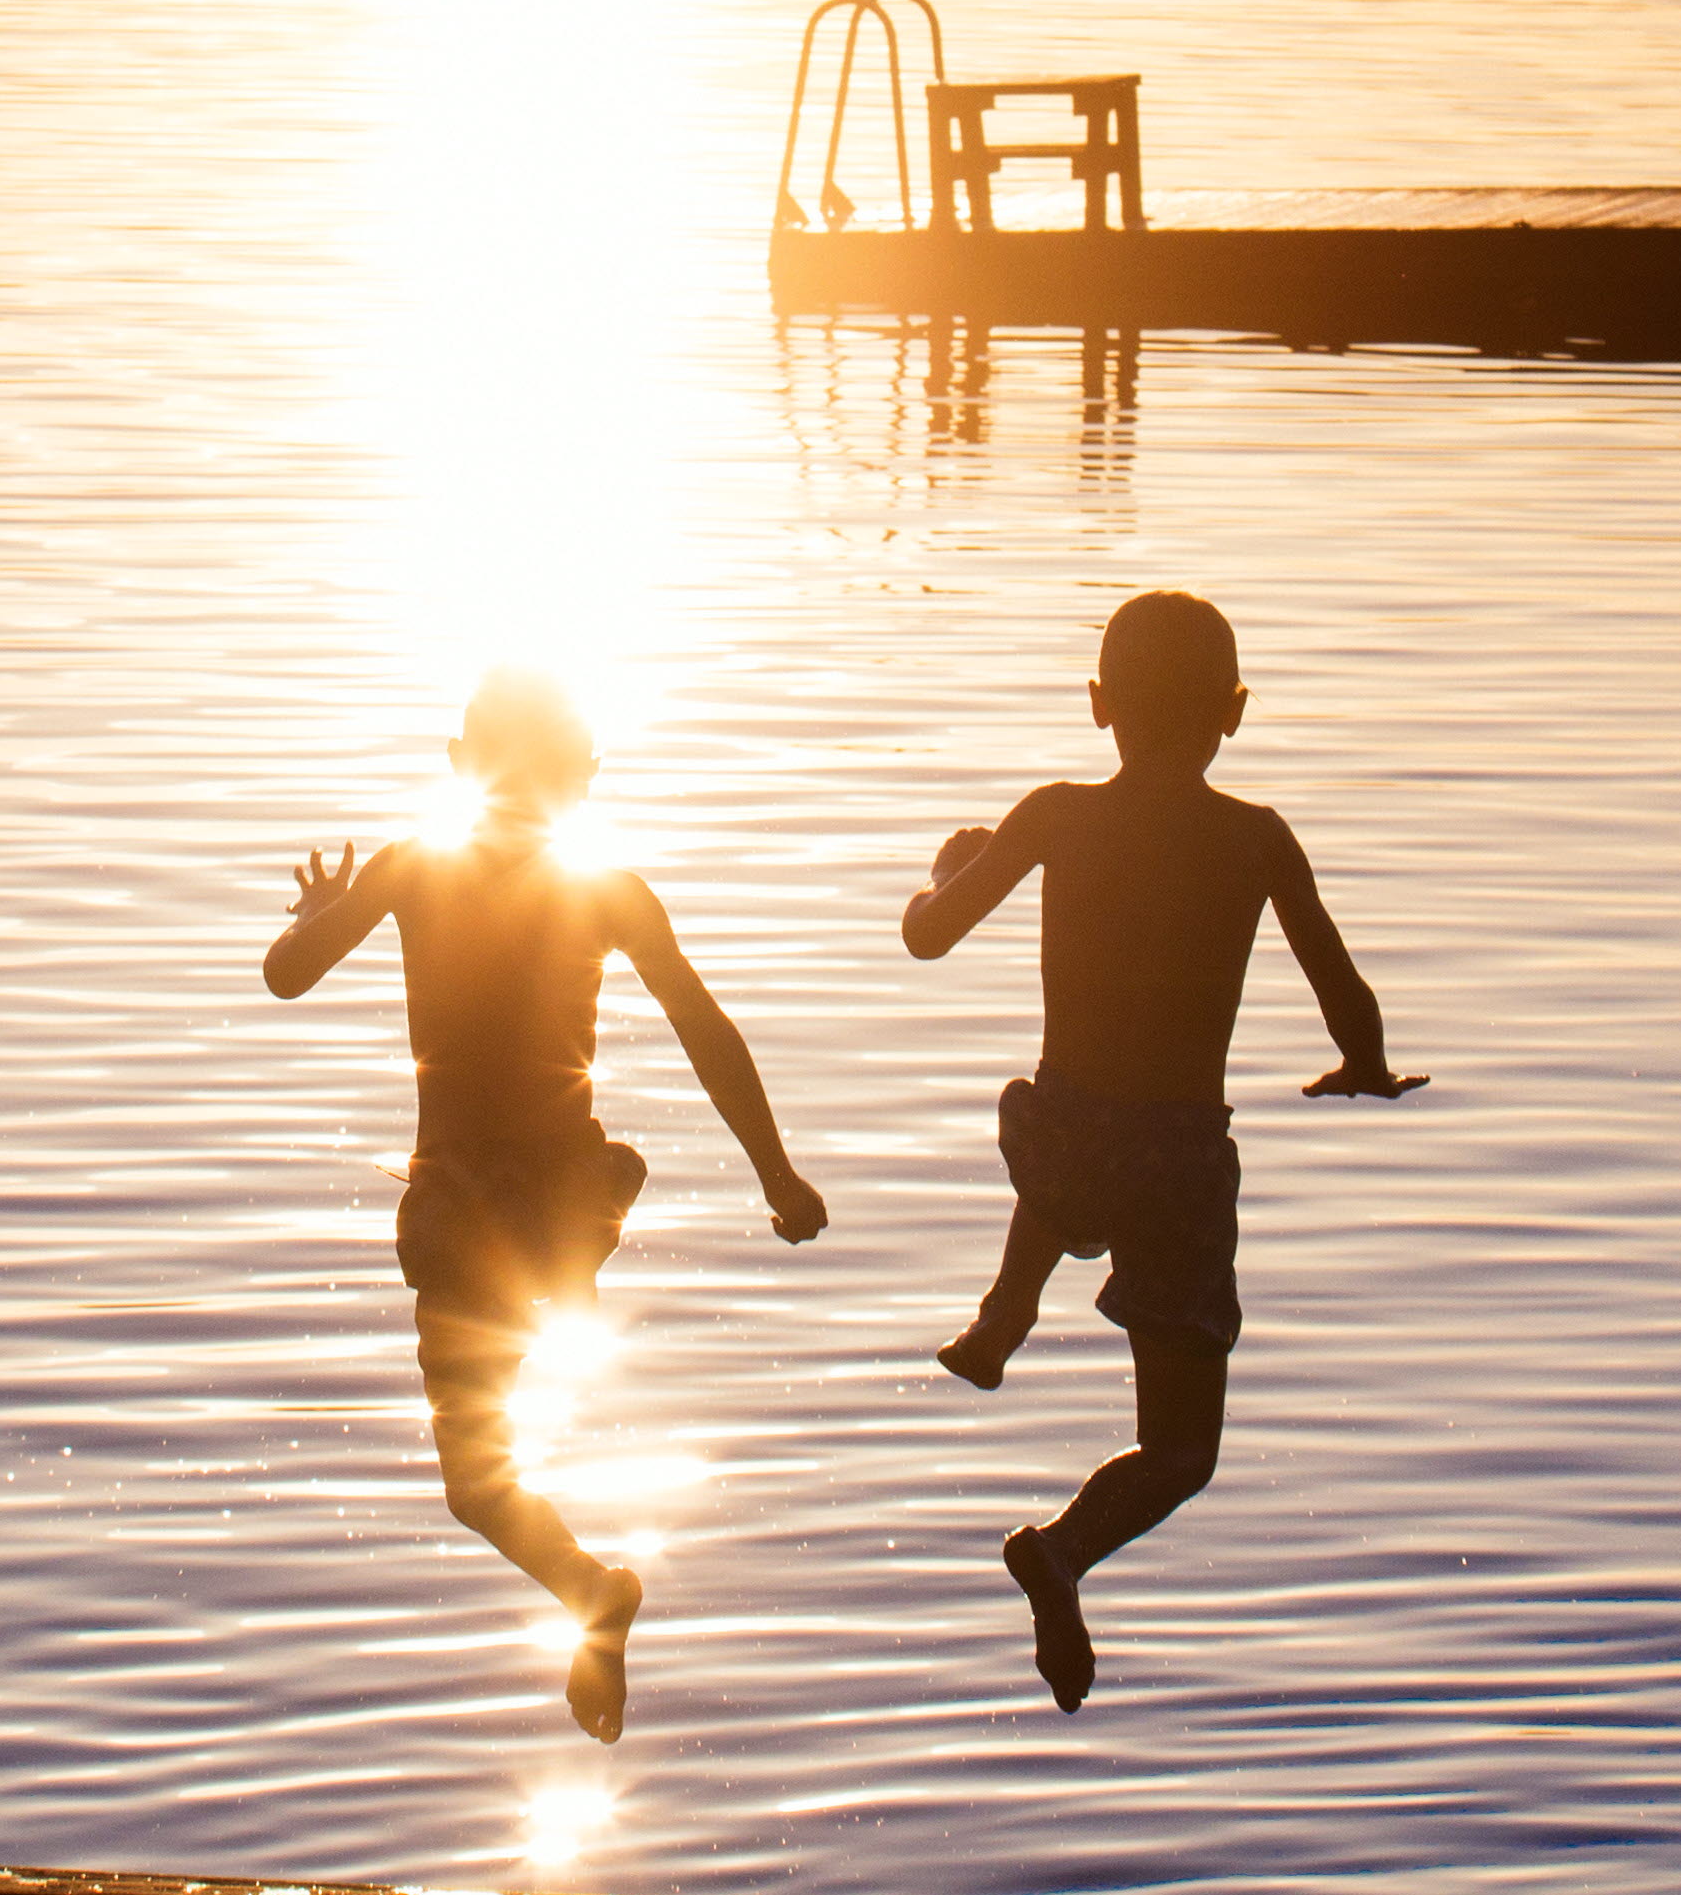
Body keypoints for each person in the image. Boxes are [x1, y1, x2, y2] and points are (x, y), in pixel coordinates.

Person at [269, 668, 827, 1741]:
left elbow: (284, 975)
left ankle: (588, 1585)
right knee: (520, 1361)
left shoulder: (407, 870)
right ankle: (592, 1588)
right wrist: (775, 1172)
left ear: (455, 764)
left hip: (463, 1214)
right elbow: (706, 1030)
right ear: (587, 778)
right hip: (565, 1202)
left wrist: (323, 910)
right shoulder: (609, 890)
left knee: (477, 1486)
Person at [901, 587, 1416, 1710]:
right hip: (1177, 1164)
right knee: (1179, 1452)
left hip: (1062, 1145)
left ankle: (1004, 1310)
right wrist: (1365, 1066)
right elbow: (1342, 987)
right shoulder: (1255, 838)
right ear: (1233, 711)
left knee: (1071, 1121)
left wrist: (946, 873)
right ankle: (1061, 1551)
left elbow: (927, 938)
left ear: (1097, 704)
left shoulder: (1049, 816)